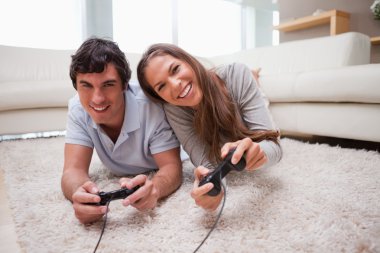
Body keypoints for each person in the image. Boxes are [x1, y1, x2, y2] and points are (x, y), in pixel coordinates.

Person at [137, 43, 282, 211]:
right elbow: (206, 165)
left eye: (175, 69)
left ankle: (254, 76)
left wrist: (259, 152)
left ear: (189, 60)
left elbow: (275, 147)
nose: (175, 84)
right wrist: (213, 186)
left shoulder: (236, 75)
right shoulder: (173, 108)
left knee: (262, 99)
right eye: (161, 86)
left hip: (238, 91)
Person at [61, 38, 183, 224]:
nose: (97, 98)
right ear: (76, 86)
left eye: (108, 85)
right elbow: (72, 170)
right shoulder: (78, 108)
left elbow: (171, 167)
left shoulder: (151, 107)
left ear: (124, 84)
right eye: (86, 85)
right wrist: (79, 192)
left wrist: (155, 188)